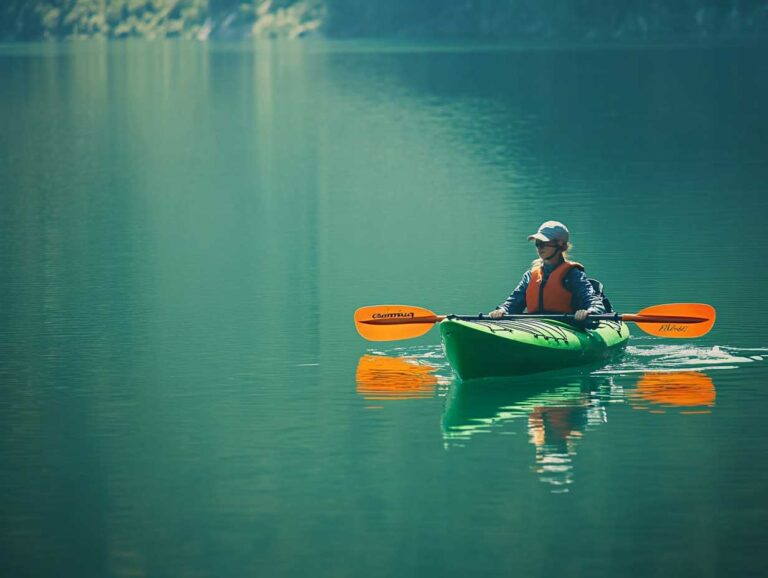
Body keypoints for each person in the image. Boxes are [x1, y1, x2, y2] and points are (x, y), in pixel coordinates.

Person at [489, 221, 605, 323]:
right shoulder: (530, 276)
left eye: (544, 243)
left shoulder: (573, 274)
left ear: (560, 245)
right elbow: (514, 302)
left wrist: (590, 311)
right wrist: (503, 310)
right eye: (537, 244)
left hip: (568, 326)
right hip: (536, 325)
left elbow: (594, 302)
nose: (539, 248)